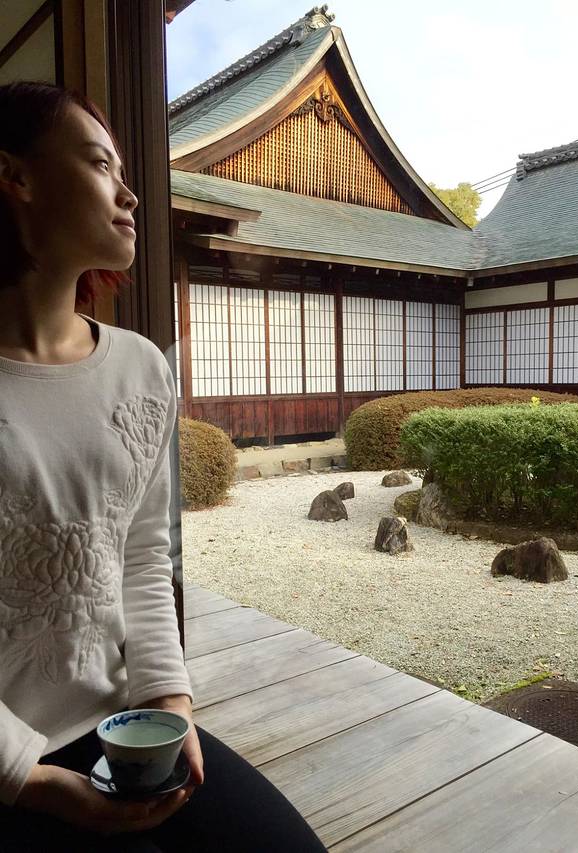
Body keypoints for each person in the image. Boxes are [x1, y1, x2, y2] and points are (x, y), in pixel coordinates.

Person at [0, 81, 327, 853]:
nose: (131, 193)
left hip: (121, 729)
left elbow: (143, 558)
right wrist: (32, 779)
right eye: (99, 164)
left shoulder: (140, 370)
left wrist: (170, 704)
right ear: (15, 176)